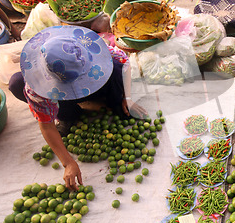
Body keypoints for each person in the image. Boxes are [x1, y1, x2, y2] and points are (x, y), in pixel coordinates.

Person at [9, 25, 140, 190]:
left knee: (115, 70)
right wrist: (68, 162)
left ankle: (112, 101)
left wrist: (126, 96)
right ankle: (68, 115)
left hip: (95, 82)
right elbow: (46, 125)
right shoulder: (37, 86)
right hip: (59, 94)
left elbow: (125, 62)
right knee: (15, 83)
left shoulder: (92, 49)